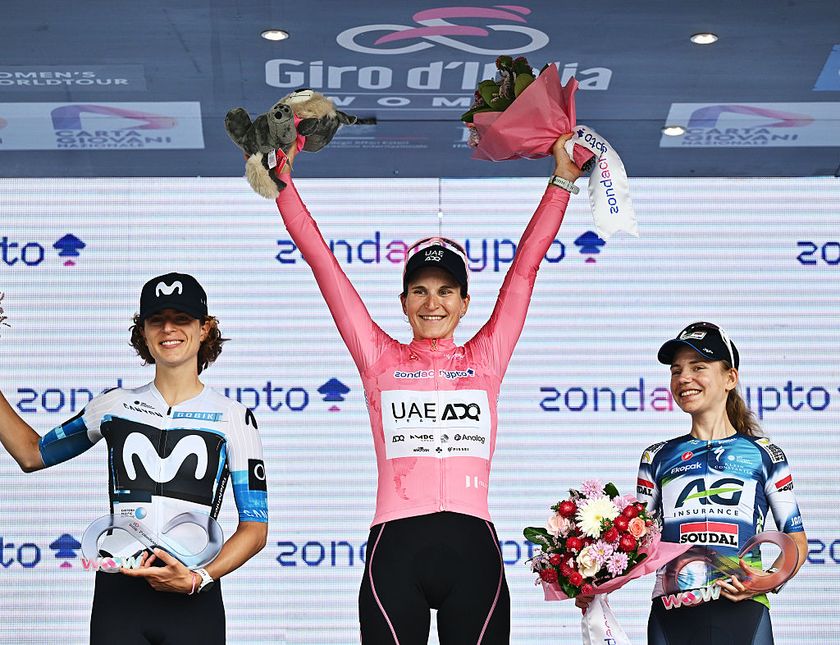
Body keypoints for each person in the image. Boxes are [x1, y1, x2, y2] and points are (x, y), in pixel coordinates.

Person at [272, 135, 583, 643]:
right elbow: (323, 264)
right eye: (419, 289)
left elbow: (526, 266)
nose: (431, 302)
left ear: (464, 302)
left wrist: (562, 180)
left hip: (472, 550)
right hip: (396, 548)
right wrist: (283, 186)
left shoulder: (485, 358)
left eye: (444, 291)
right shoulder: (379, 359)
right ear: (403, 300)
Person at [0, 272, 268, 645]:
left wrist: (197, 580)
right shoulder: (113, 406)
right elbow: (31, 454)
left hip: (192, 595)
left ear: (205, 329)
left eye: (182, 319)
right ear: (142, 331)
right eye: (156, 319)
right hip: (120, 594)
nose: (168, 329)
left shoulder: (234, 417)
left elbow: (255, 529)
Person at [631, 322, 808, 644]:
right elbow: (634, 545)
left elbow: (795, 542)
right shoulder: (656, 457)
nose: (683, 378)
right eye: (676, 370)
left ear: (730, 378)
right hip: (672, 615)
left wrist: (762, 582)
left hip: (743, 613)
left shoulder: (764, 454)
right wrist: (591, 579)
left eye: (698, 367)